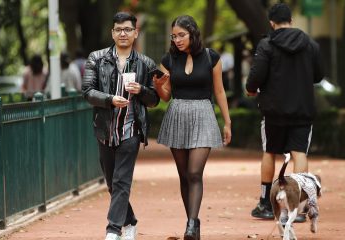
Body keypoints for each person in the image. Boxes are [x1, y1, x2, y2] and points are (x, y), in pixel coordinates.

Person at [82, 12, 160, 240]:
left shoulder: (146, 63)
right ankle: (130, 221)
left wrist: (142, 91)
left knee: (121, 180)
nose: (123, 33)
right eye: (118, 29)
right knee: (111, 182)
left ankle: (113, 230)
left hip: (131, 129)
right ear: (112, 33)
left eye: (127, 29)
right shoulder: (96, 58)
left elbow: (155, 100)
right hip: (105, 129)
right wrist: (109, 99)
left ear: (136, 33)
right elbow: (87, 92)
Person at [153, 15, 232, 240]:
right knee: (183, 175)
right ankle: (193, 227)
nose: (177, 40)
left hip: (203, 114)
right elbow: (166, 96)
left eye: (182, 35)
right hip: (177, 115)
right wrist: (159, 87)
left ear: (192, 34)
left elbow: (219, 91)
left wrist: (227, 122)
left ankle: (191, 223)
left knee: (194, 172)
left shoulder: (211, 57)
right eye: (174, 36)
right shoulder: (168, 60)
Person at [245, 3, 323, 222]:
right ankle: (298, 206)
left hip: (273, 110)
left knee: (270, 151)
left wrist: (251, 89)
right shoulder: (310, 44)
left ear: (272, 23)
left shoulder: (267, 44)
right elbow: (318, 75)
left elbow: (256, 76)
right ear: (291, 20)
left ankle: (265, 205)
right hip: (302, 109)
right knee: (299, 152)